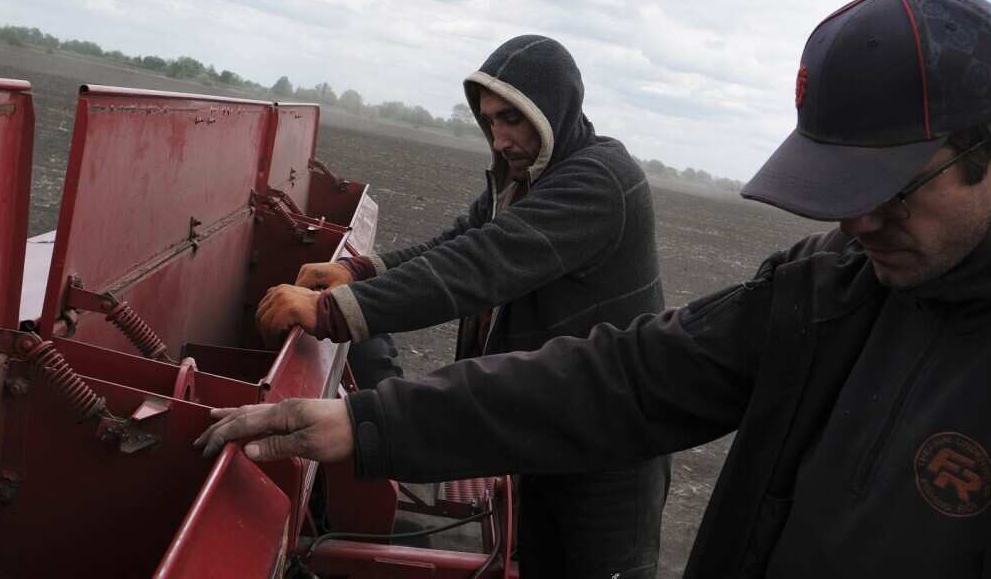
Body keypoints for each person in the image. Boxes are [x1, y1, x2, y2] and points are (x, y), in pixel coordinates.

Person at [198, 0, 991, 577]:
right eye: (836, 190)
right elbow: (631, 377)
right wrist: (369, 424)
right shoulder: (836, 284)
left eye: (888, 190)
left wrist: (346, 305)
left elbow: (485, 266)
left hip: (603, 500)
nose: (856, 221)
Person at [245, 35, 672, 578]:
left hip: (612, 443)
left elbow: (477, 265)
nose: (501, 138)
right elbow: (456, 243)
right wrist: (359, 270)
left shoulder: (598, 180)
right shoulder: (523, 180)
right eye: (490, 121)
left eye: (513, 120)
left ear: (553, 111)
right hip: (556, 422)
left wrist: (332, 311)